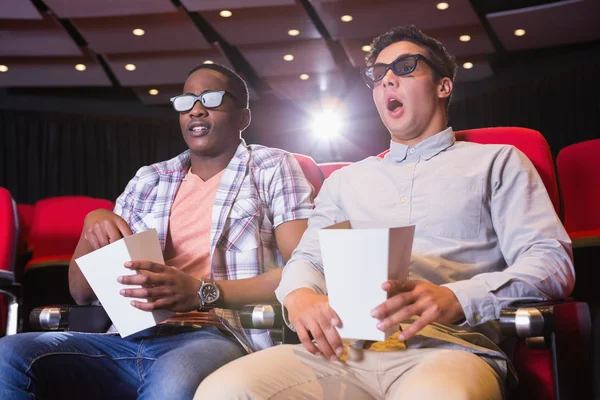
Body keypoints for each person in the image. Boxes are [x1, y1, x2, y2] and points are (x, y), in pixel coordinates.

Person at [194, 25, 575, 400]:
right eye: (378, 74)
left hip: (448, 350)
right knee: (221, 390)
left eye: (406, 66)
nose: (388, 79)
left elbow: (551, 263)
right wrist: (300, 295)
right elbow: (309, 258)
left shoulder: (498, 162)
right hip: (342, 351)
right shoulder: (347, 181)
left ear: (443, 86)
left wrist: (458, 297)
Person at [0, 63, 314, 400]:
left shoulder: (271, 167)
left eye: (210, 99)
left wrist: (203, 292)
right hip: (125, 337)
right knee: (10, 356)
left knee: (170, 385)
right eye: (186, 101)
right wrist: (92, 223)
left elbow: (302, 272)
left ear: (243, 118)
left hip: (214, 336)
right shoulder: (149, 180)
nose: (196, 109)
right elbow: (81, 293)